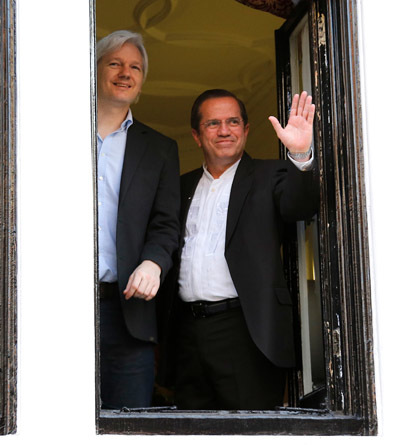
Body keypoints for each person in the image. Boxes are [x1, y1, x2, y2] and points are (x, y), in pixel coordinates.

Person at [170, 88, 318, 410]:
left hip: (246, 332)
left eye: (233, 121)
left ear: (246, 129)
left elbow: (300, 207)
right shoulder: (180, 187)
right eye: (213, 124)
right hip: (186, 334)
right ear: (196, 135)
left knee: (248, 432)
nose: (225, 130)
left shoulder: (271, 175)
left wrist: (300, 154)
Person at [96, 30, 180, 409]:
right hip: (53, 304)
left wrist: (153, 262)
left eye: (135, 67)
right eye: (115, 63)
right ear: (94, 71)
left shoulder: (160, 149)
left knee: (129, 425)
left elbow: (166, 224)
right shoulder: (50, 134)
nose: (125, 72)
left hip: (126, 309)